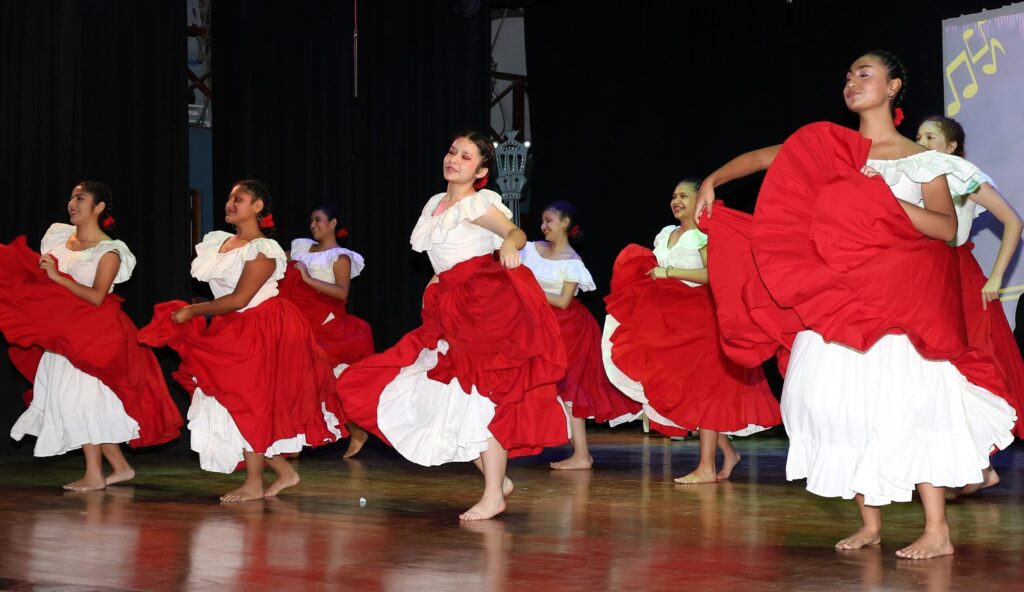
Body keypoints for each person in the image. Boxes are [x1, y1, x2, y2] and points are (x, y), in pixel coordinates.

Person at [693, 50, 1016, 559]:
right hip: (836, 300)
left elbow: (945, 227)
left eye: (865, 74)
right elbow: (761, 158)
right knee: (837, 402)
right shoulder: (829, 148)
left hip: (898, 304)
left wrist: (879, 200)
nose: (852, 81)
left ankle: (937, 529)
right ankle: (870, 523)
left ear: (893, 88)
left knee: (909, 402)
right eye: (847, 75)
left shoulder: (923, 158)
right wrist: (713, 180)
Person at [336, 132, 569, 520]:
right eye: (451, 152)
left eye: (465, 157)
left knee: (482, 391)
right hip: (452, 305)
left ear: (479, 171)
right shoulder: (435, 204)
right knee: (451, 393)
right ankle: (498, 482)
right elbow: (443, 261)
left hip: (482, 304)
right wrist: (435, 287)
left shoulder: (476, 203)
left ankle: (494, 492)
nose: (453, 160)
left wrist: (511, 246)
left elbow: (514, 232)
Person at [139, 180, 343, 502]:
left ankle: (253, 483)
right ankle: (284, 472)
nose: (230, 203)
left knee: (249, 400)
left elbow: (239, 298)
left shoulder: (263, 249)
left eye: (240, 198)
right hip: (234, 326)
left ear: (258, 207)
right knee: (229, 398)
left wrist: (192, 311)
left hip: (263, 326)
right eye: (230, 198)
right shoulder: (220, 243)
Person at [1, 181, 182, 491]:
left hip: (95, 335)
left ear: (98, 208)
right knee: (76, 402)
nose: (72, 202)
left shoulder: (110, 251)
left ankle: (95, 473)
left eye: (80, 198)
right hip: (64, 335)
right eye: (72, 197)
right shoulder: (58, 240)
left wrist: (57, 276)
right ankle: (121, 467)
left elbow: (98, 296)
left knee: (81, 401)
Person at [602, 179, 780, 483]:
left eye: (684, 195)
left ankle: (707, 467)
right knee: (685, 393)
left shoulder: (704, 233)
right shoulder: (666, 235)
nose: (676, 200)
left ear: (700, 199)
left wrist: (670, 272)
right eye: (673, 196)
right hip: (671, 323)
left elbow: (714, 274)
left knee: (705, 391)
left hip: (701, 319)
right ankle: (729, 454)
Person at [916, 115, 1024, 494]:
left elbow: (1012, 220)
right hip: (922, 281)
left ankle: (975, 467)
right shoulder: (913, 176)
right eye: (918, 136)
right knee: (934, 375)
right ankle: (971, 469)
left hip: (957, 279)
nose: (922, 141)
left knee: (967, 369)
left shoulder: (959, 173)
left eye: (932, 136)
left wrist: (996, 278)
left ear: (951, 148)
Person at [519, 201, 641, 470]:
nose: (543, 226)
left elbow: (563, 301)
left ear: (564, 223)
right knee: (538, 385)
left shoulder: (573, 262)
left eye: (549, 220)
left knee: (571, 388)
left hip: (568, 329)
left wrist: (530, 292)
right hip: (538, 326)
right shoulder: (531, 249)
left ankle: (581, 455)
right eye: (542, 221)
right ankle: (566, 449)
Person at [281, 204, 374, 458]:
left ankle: (356, 428)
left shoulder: (341, 256)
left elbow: (342, 291)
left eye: (319, 220)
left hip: (326, 322)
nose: (313, 225)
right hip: (298, 320)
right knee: (293, 378)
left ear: (333, 223)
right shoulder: (301, 248)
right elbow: (274, 261)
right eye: (311, 220)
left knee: (327, 381)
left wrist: (308, 279)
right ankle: (295, 439)